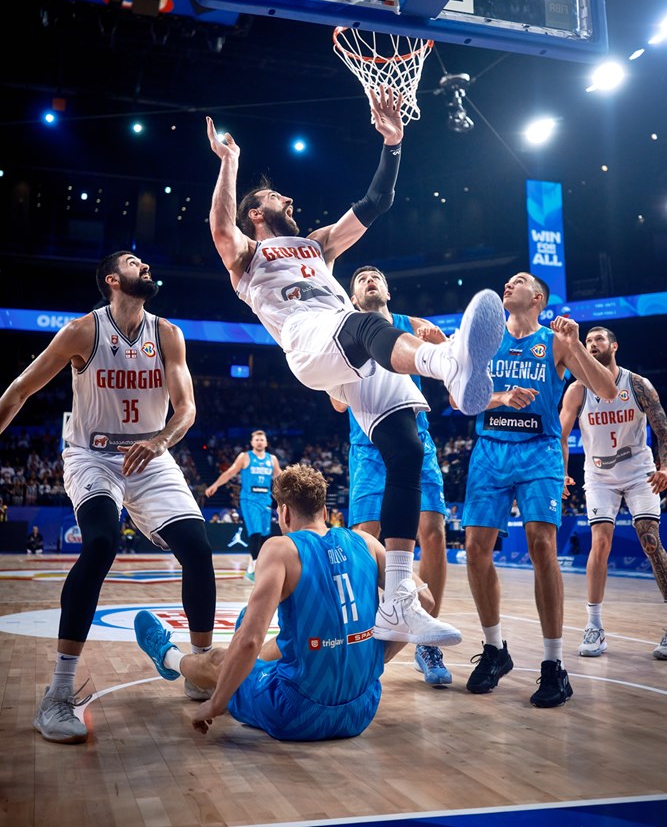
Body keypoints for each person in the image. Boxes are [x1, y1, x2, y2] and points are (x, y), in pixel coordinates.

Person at [205, 86, 505, 646]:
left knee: (408, 451)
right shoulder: (249, 256)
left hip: (357, 350)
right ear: (256, 212)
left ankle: (396, 602)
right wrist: (232, 162)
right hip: (313, 341)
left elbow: (375, 204)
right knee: (367, 324)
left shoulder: (318, 246)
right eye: (276, 199)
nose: (287, 201)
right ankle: (449, 363)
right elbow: (221, 229)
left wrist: (393, 142)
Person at [0, 251, 216, 744]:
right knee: (99, 544)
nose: (148, 267)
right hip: (91, 456)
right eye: (136, 262)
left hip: (151, 455)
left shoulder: (167, 333)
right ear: (113, 280)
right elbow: (18, 391)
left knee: (199, 549)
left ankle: (199, 667)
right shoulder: (82, 332)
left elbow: (186, 410)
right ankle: (56, 693)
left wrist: (160, 440)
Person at [134, 464, 432, 740]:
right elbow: (424, 601)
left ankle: (168, 658)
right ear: (324, 510)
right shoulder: (368, 543)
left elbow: (250, 641)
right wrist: (377, 659)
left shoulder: (280, 549)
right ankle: (212, 674)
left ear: (285, 512)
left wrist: (217, 704)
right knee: (294, 636)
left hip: (296, 713)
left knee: (222, 657)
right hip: (361, 710)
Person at [457, 272, 618, 707]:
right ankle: (494, 650)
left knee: (542, 544)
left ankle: (553, 665)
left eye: (519, 281)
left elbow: (604, 388)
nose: (508, 286)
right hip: (490, 448)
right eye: (507, 282)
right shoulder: (485, 340)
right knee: (475, 548)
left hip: (540, 450)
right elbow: (458, 398)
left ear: (538, 298)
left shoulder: (558, 341)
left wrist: (578, 344)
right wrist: (500, 396)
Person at [330, 265, 451, 686]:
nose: (370, 279)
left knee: (433, 532)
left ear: (388, 287)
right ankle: (363, 637)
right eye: (361, 278)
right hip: (368, 447)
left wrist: (445, 346)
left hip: (416, 437)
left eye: (377, 275)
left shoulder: (411, 325)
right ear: (353, 295)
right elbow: (337, 405)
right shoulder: (343, 329)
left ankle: (426, 643)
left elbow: (447, 358)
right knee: (366, 538)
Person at [559, 325, 667, 660]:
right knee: (600, 542)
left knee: (649, 539)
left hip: (639, 473)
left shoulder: (637, 384)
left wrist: (665, 468)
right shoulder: (578, 390)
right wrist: (561, 472)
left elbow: (662, 428)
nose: (592, 344)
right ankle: (594, 626)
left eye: (598, 339)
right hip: (599, 475)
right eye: (588, 340)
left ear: (614, 346)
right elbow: (561, 434)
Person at [205, 429, 281, 581]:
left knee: (265, 535)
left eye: (262, 439)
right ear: (252, 442)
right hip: (249, 499)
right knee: (256, 532)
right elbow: (230, 473)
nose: (259, 442)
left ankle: (252, 567)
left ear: (266, 442)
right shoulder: (245, 457)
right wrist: (215, 485)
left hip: (265, 500)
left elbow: (280, 477)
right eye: (256, 439)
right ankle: (255, 565)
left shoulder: (272, 459)